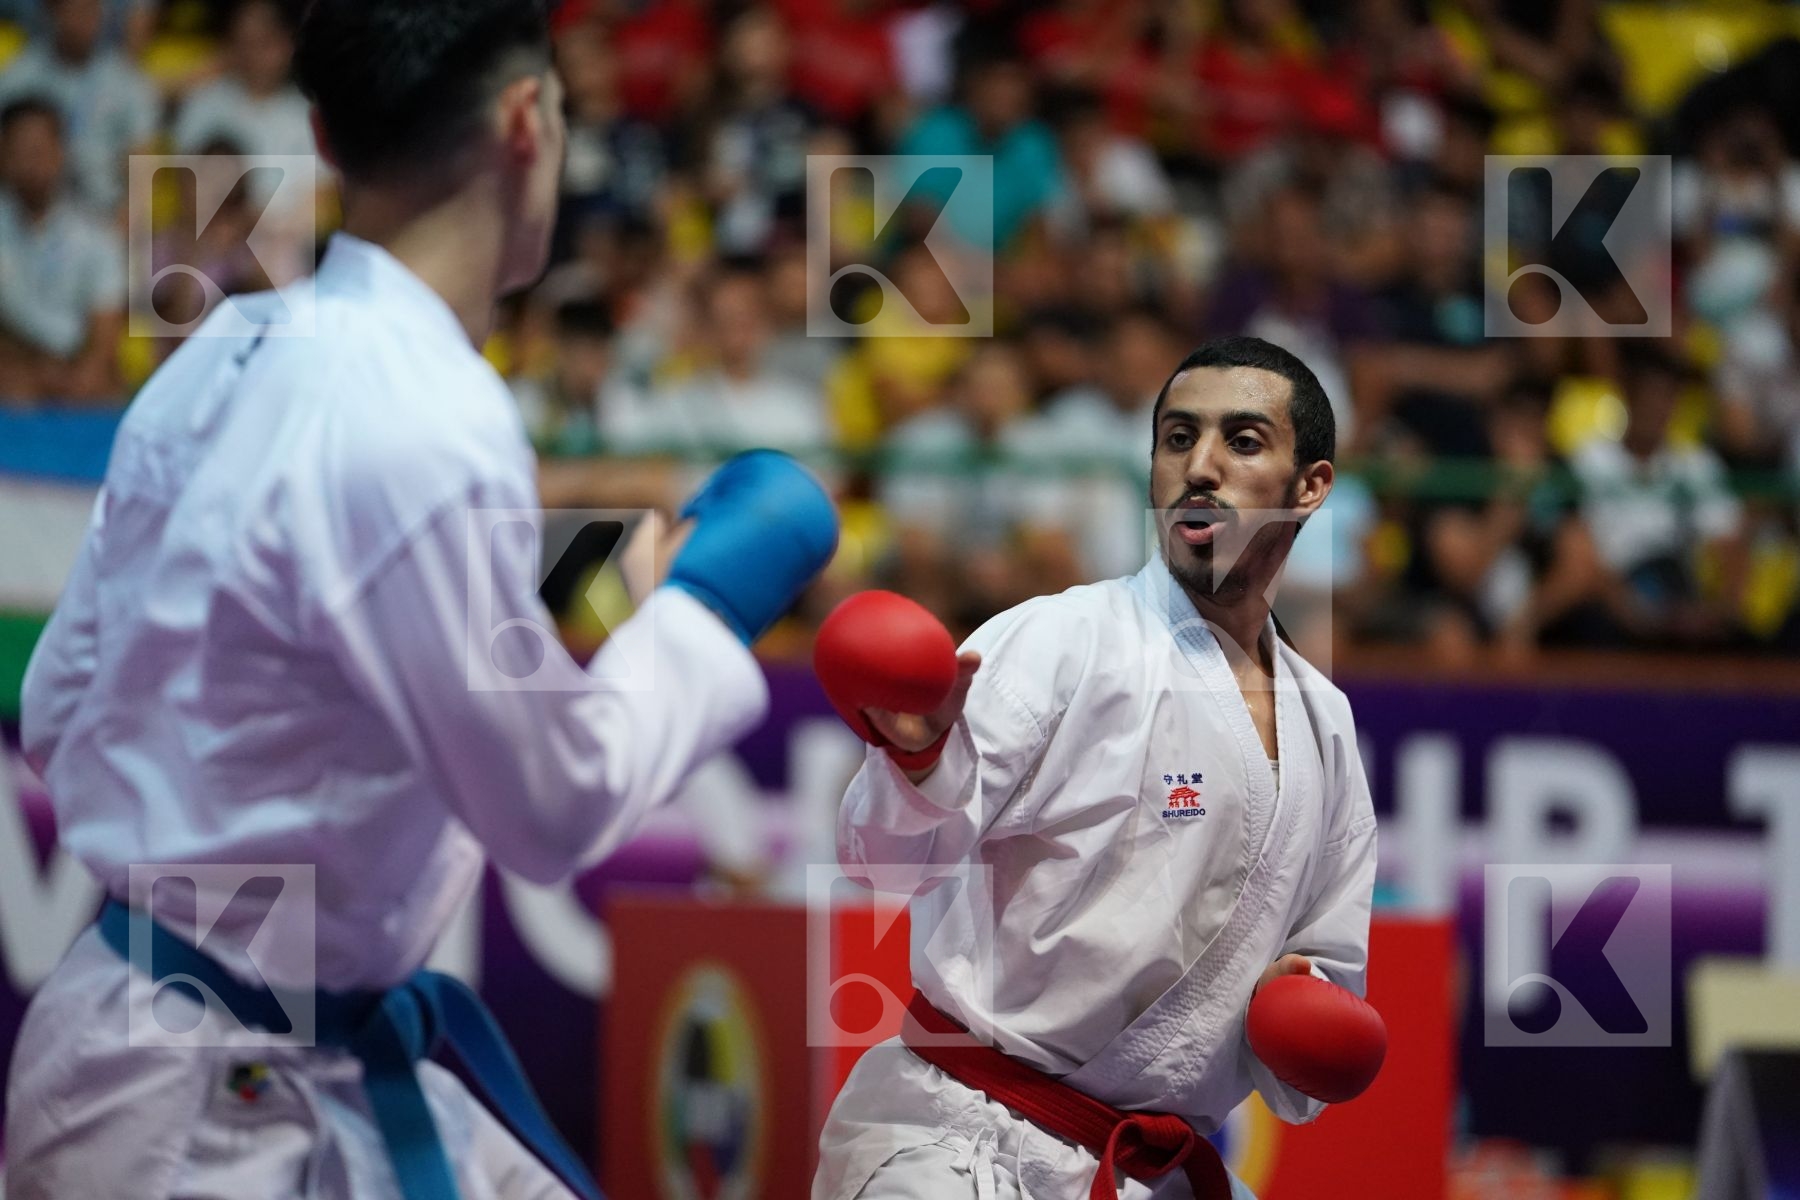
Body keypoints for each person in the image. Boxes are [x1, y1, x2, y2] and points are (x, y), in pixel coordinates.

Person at [3, 2, 837, 1198]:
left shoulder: (227, 347)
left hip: (180, 1037)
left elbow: (63, 699)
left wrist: (612, 572)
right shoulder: (428, 418)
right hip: (210, 1114)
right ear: (523, 121)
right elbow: (551, 805)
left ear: (330, 141)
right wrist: (705, 603)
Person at [815, 336, 1377, 1200]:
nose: (1202, 467)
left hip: (1146, 1170)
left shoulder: (1326, 727)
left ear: (1312, 487)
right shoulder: (1060, 642)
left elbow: (1323, 974)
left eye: (1245, 441)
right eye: (1179, 438)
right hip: (958, 1148)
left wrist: (1304, 1007)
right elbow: (881, 865)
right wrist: (916, 761)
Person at [0, 95, 124, 402]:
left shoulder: (97, 235)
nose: (32, 161)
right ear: (3, 155)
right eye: (21, 150)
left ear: (61, 152)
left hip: (74, 370)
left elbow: (104, 336)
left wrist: (81, 373)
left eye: (40, 149)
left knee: (106, 387)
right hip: (12, 368)